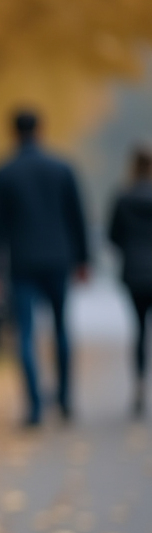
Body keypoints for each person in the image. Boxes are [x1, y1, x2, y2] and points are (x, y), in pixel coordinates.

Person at [0, 109, 90, 426]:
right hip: (58, 259)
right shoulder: (62, 168)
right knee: (61, 329)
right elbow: (77, 217)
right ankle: (65, 399)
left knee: (25, 334)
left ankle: (34, 407)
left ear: (13, 132)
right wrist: (83, 260)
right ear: (40, 130)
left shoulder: (4, 173)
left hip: (22, 263)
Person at [107, 146, 152, 417]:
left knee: (139, 330)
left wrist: (130, 248)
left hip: (134, 272)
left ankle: (139, 384)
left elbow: (113, 236)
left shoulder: (123, 198)